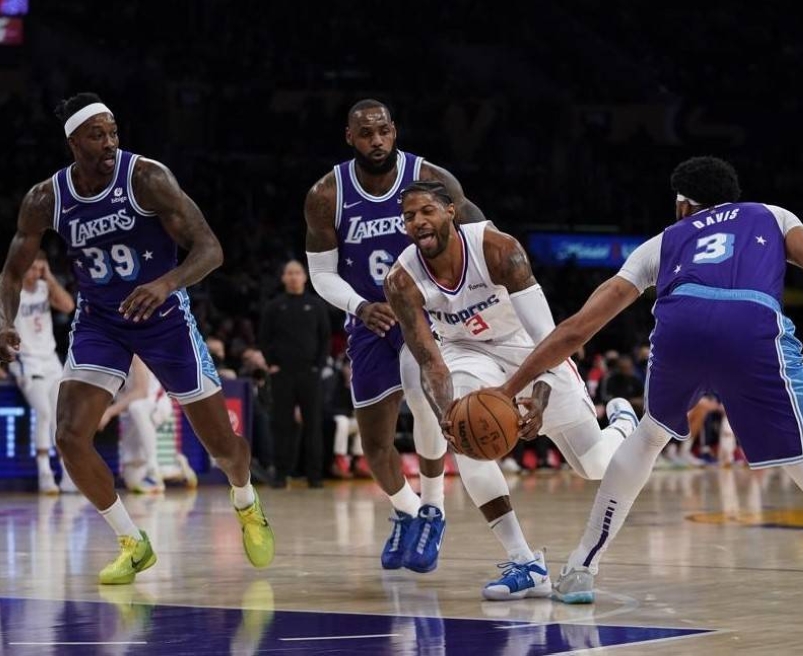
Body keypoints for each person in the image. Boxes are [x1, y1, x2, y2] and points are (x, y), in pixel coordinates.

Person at [494, 156, 803, 622]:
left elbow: (578, 329)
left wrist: (508, 388)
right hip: (750, 323)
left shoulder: (663, 241)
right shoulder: (771, 215)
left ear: (682, 203)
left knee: (647, 437)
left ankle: (581, 567)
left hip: (681, 322)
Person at [0, 92, 274, 584]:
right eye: (96, 135)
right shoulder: (47, 198)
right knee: (69, 434)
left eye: (113, 132)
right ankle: (132, 541)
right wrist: (5, 322)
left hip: (165, 317)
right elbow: (11, 273)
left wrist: (166, 282)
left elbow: (211, 249)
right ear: (72, 143)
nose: (109, 142)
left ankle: (245, 498)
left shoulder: (146, 177)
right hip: (101, 321)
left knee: (223, 447)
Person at [384, 180, 639, 600]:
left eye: (426, 211)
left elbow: (550, 336)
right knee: (466, 438)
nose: (417, 222)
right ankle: (525, 562)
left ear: (451, 211)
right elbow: (430, 359)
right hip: (464, 350)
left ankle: (620, 426)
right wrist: (449, 413)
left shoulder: (499, 250)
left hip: (529, 347)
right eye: (409, 216)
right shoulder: (401, 279)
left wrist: (535, 397)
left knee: (593, 466)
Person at [304, 99, 487, 573]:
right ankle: (407, 512)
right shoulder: (327, 194)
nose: (377, 141)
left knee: (422, 392)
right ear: (350, 137)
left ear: (395, 130)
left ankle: (434, 508)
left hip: (424, 316)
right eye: (366, 134)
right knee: (375, 445)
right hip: (368, 322)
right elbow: (322, 275)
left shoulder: (432, 179)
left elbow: (483, 239)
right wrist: (360, 307)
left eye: (384, 131)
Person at [258, 259, 331, 488]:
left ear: (305, 277)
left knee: (313, 425)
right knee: (282, 424)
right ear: (283, 278)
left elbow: (325, 338)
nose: (293, 277)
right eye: (289, 273)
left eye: (297, 272)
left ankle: (315, 476)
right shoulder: (274, 306)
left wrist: (317, 366)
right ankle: (281, 474)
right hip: (283, 374)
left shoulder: (316, 305)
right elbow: (264, 338)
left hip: (309, 373)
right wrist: (271, 364)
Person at [9, 251, 77, 493]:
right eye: (32, 267)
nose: (35, 272)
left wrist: (48, 277)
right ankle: (44, 474)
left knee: (60, 419)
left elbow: (68, 305)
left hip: (50, 360)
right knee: (45, 413)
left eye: (40, 268)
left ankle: (67, 475)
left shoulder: (43, 287)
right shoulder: (10, 289)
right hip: (26, 361)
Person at [98, 355, 198, 493]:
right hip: (128, 413)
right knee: (133, 482)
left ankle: (153, 471)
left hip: (154, 402)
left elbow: (141, 391)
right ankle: (177, 468)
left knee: (137, 408)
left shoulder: (133, 354)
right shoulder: (101, 361)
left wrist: (108, 413)